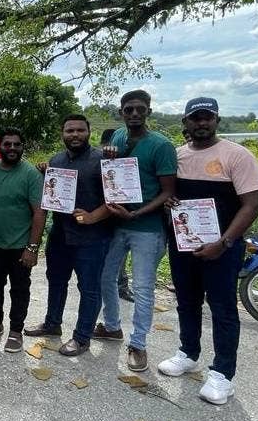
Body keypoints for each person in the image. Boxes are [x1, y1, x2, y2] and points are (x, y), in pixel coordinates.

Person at [156, 98, 258, 405]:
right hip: (184, 244)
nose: (201, 123)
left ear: (217, 120)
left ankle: (222, 374)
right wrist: (168, 204)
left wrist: (225, 242)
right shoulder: (176, 157)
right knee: (186, 301)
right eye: (195, 118)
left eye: (207, 117)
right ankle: (188, 353)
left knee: (223, 308)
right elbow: (169, 196)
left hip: (223, 248)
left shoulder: (237, 156)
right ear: (185, 122)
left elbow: (252, 205)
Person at [97, 90, 177, 372]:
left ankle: (138, 344)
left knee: (143, 288)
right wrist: (106, 159)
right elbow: (111, 177)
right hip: (117, 224)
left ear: (148, 112)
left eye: (139, 109)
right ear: (121, 112)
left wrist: (136, 213)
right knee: (105, 277)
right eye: (128, 109)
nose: (133, 114)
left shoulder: (161, 146)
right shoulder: (117, 137)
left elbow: (168, 191)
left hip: (147, 228)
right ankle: (111, 325)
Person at [25, 115, 114, 357]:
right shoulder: (57, 159)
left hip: (93, 237)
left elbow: (116, 197)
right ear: (62, 133)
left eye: (80, 130)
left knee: (89, 288)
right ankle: (52, 324)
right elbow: (51, 192)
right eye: (69, 130)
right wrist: (44, 173)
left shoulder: (103, 160)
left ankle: (82, 337)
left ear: (89, 132)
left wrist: (94, 216)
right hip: (61, 234)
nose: (74, 135)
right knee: (56, 281)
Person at [0, 128, 42, 353]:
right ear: (0, 147)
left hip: (20, 246)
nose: (12, 148)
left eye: (17, 144)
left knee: (20, 289)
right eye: (7, 144)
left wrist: (32, 248)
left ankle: (16, 330)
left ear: (22, 146)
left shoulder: (31, 174)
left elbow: (39, 212)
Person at [101, 127, 135, 302]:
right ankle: (119, 285)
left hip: (124, 218)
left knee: (118, 258)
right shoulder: (99, 160)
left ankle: (121, 285)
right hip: (106, 219)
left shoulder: (124, 163)